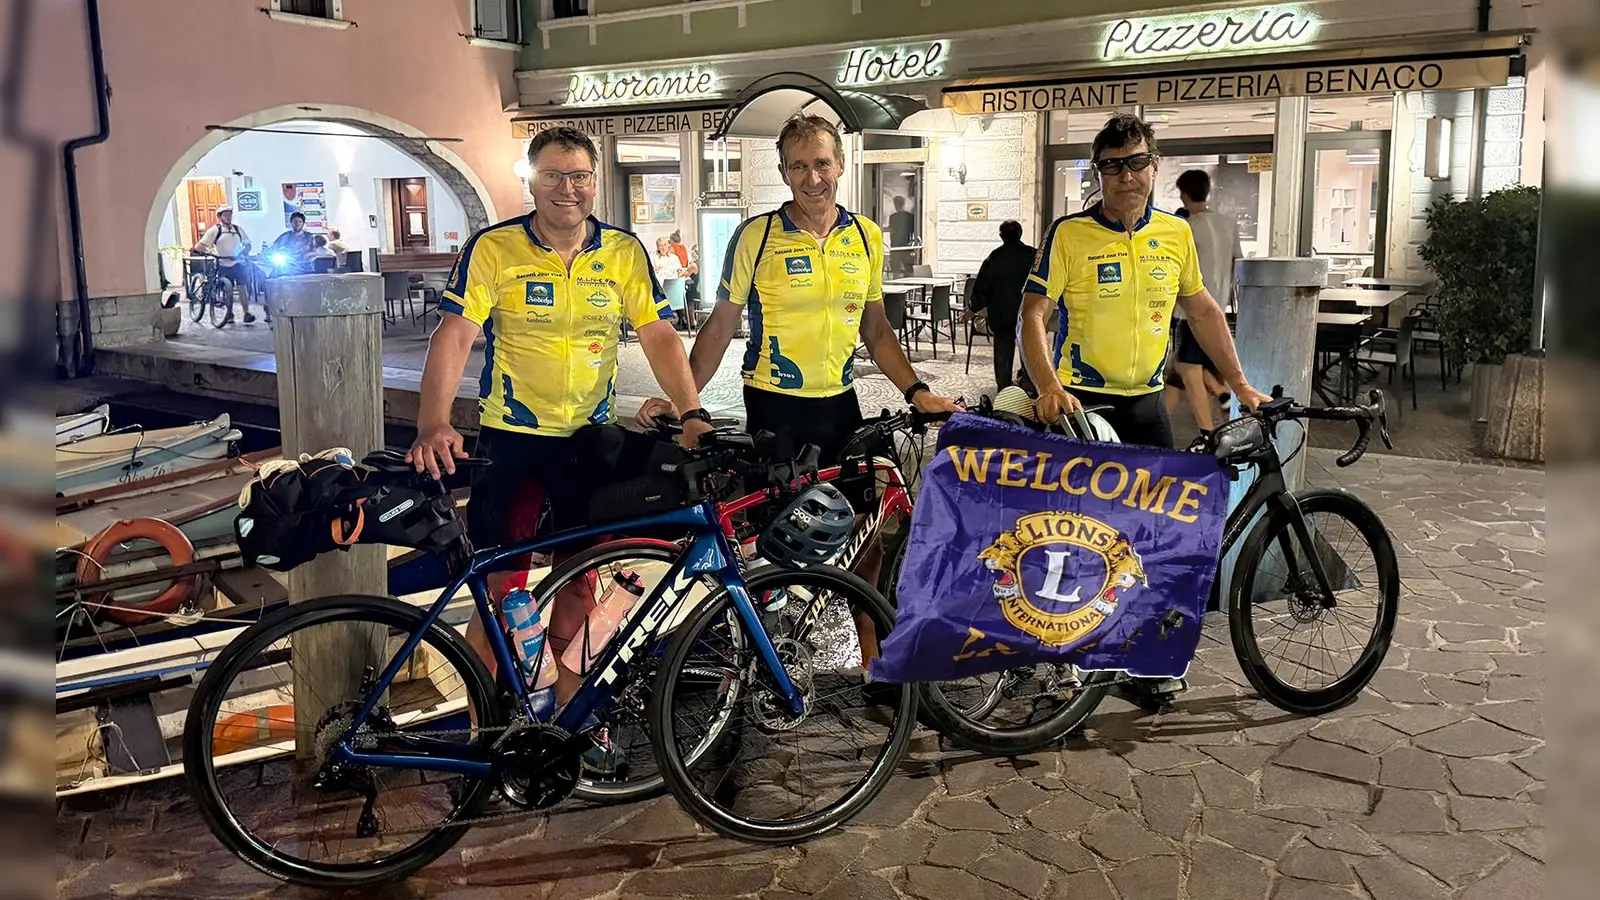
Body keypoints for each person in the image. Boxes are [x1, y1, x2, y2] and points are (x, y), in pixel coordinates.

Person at [406, 126, 711, 771]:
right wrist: (434, 422)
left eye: (579, 176)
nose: (568, 188)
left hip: (587, 447)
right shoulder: (495, 249)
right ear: (531, 181)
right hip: (511, 443)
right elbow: (456, 333)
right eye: (553, 175)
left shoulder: (624, 252)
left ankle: (575, 725)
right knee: (498, 591)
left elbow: (656, 333)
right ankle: (480, 736)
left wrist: (691, 411)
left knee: (578, 586)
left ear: (594, 180)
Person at [637, 113, 960, 599]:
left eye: (822, 164)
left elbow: (876, 328)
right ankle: (765, 653)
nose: (813, 178)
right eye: (799, 166)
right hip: (775, 406)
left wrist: (918, 391)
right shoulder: (757, 236)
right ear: (785, 171)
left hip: (841, 405)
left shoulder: (866, 236)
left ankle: (869, 654)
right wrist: (684, 402)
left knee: (866, 533)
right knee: (777, 538)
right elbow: (721, 325)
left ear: (841, 164)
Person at [1019, 113, 1268, 708]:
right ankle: (1063, 657)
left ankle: (1144, 657)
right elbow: (1032, 316)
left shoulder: (1175, 236)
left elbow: (1203, 311)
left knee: (1150, 537)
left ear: (1155, 168)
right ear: (1099, 173)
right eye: (1112, 166)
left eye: (1136, 163)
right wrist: (1048, 385)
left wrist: (1239, 380)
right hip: (1083, 406)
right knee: (1077, 536)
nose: (1126, 175)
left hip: (1147, 404)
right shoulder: (1068, 234)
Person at [1168, 169, 1245, 445]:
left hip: (1189, 310)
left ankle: (1207, 433)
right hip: (1218, 306)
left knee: (1187, 369)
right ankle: (1159, 431)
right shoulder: (1228, 223)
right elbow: (1238, 261)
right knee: (1179, 373)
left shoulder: (1185, 227)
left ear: (1184, 194)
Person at [968, 220, 1034, 392]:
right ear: (1020, 233)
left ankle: (1004, 386)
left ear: (1001, 236)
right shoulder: (1032, 256)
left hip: (1001, 314)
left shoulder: (994, 258)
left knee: (1003, 351)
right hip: (1026, 313)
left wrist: (973, 307)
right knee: (1028, 348)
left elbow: (981, 286)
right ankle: (1027, 382)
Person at [191, 206, 257, 324]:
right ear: (220, 217)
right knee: (227, 288)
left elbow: (247, 244)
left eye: (230, 214)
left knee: (243, 287)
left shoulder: (238, 229)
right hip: (222, 263)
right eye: (225, 215)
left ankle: (246, 312)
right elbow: (201, 245)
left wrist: (244, 251)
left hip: (237, 262)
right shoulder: (215, 230)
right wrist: (202, 251)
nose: (228, 217)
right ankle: (229, 313)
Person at [653, 236, 688, 328]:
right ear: (657, 247)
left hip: (672, 288)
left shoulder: (674, 258)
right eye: (661, 246)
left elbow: (679, 271)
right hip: (660, 286)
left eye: (665, 245)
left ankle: (679, 319)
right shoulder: (654, 258)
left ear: (668, 245)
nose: (663, 247)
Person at [887, 194, 916, 277]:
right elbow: (913, 231)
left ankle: (896, 286)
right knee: (909, 270)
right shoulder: (910, 217)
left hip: (896, 247)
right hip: (907, 247)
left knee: (896, 271)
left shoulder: (893, 217)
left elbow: (892, 230)